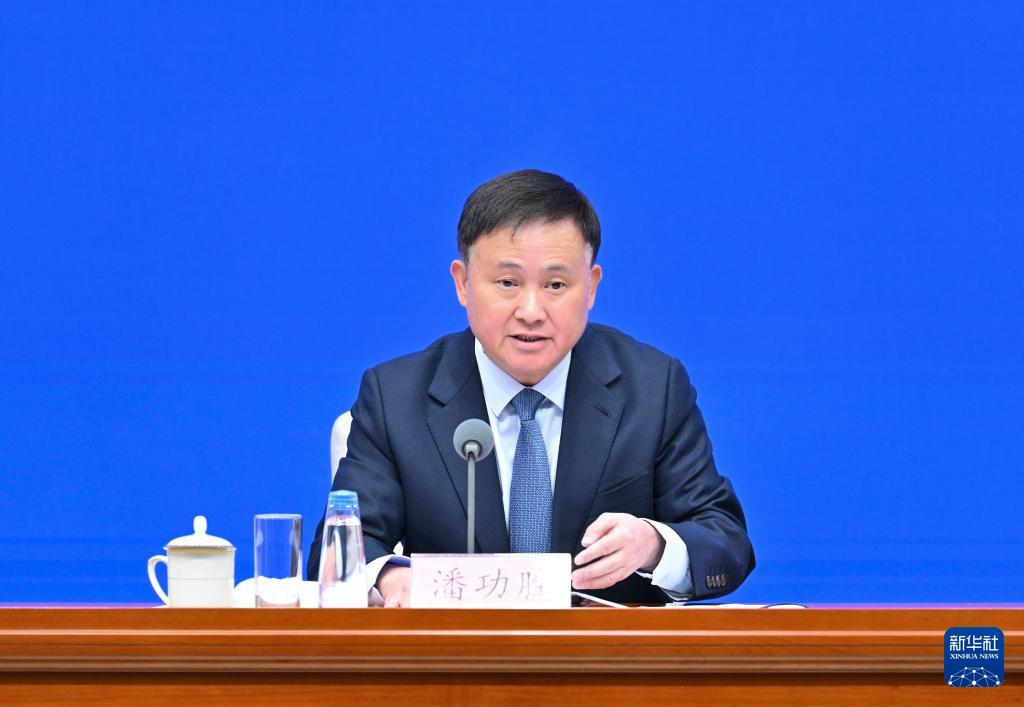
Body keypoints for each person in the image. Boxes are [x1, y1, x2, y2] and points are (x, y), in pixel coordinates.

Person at [308, 169, 754, 606]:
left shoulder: (653, 388)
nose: (532, 310)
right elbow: (340, 550)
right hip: (456, 654)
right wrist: (391, 578)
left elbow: (725, 541)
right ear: (463, 283)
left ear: (591, 287)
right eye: (507, 282)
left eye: (556, 284)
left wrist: (654, 544)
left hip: (605, 654)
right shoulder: (395, 397)